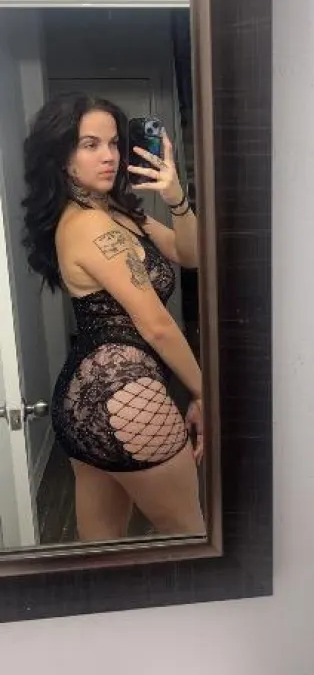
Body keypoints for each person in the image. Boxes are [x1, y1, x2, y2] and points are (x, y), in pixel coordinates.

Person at [22, 92, 205, 542]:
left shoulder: (114, 212)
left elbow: (191, 254)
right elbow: (156, 326)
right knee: (188, 537)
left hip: (83, 397)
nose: (109, 156)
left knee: (101, 549)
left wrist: (175, 197)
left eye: (113, 143)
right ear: (62, 157)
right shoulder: (90, 225)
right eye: (90, 144)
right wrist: (207, 394)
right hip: (127, 393)